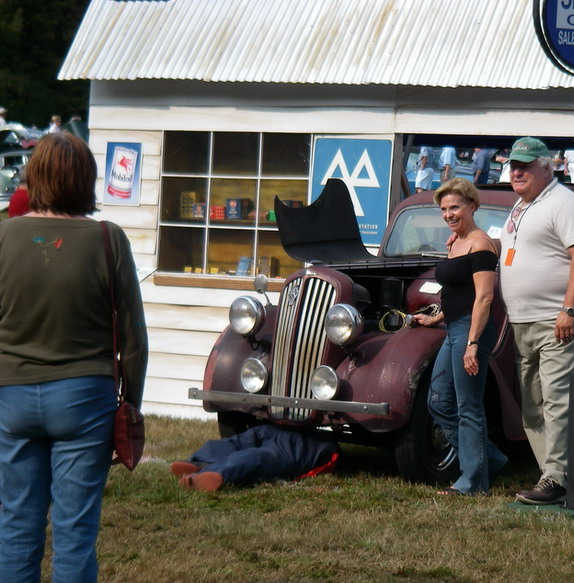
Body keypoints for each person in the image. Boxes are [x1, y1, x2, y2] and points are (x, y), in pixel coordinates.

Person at [0, 132, 148, 581]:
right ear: (88, 178)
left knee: (15, 526)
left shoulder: (3, 236)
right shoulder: (109, 239)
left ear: (33, 176)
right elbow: (134, 337)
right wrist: (132, 403)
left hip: (11, 396)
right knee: (75, 532)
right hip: (85, 399)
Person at [498, 137, 574, 505]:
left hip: (559, 317)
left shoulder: (565, 203)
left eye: (525, 165)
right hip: (525, 319)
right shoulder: (521, 205)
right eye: (513, 165)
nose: (516, 171)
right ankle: (555, 475)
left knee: (557, 398)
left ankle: (557, 477)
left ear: (548, 166)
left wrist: (570, 310)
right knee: (532, 402)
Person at [414, 178, 508, 496]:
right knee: (438, 401)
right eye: (444, 209)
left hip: (471, 331)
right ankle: (488, 459)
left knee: (469, 406)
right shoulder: (456, 243)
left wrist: (471, 343)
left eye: (455, 207)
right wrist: (436, 316)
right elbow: (457, 291)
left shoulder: (481, 244)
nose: (449, 214)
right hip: (453, 328)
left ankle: (472, 481)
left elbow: (483, 298)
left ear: (472, 206)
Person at [171, 424, 341, 492]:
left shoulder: (327, 450)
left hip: (317, 446)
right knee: (237, 442)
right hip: (282, 428)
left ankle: (215, 473)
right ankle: (201, 462)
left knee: (261, 456)